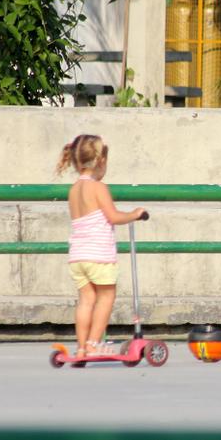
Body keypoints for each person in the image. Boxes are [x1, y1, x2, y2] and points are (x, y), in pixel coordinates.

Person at [56, 134, 147, 358]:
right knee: (106, 297)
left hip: (78, 255)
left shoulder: (74, 189)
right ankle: (94, 343)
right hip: (99, 255)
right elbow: (113, 217)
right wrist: (135, 214)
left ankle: (81, 347)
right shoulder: (98, 187)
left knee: (86, 300)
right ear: (100, 161)